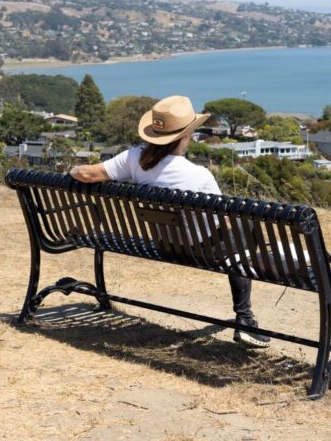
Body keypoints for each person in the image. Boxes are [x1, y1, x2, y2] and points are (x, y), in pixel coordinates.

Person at [69, 95, 270, 348]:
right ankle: (245, 320)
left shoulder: (133, 159)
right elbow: (225, 223)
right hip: (199, 251)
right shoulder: (200, 176)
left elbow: (86, 173)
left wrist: (71, 172)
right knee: (243, 230)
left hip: (164, 245)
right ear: (185, 136)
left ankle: (245, 319)